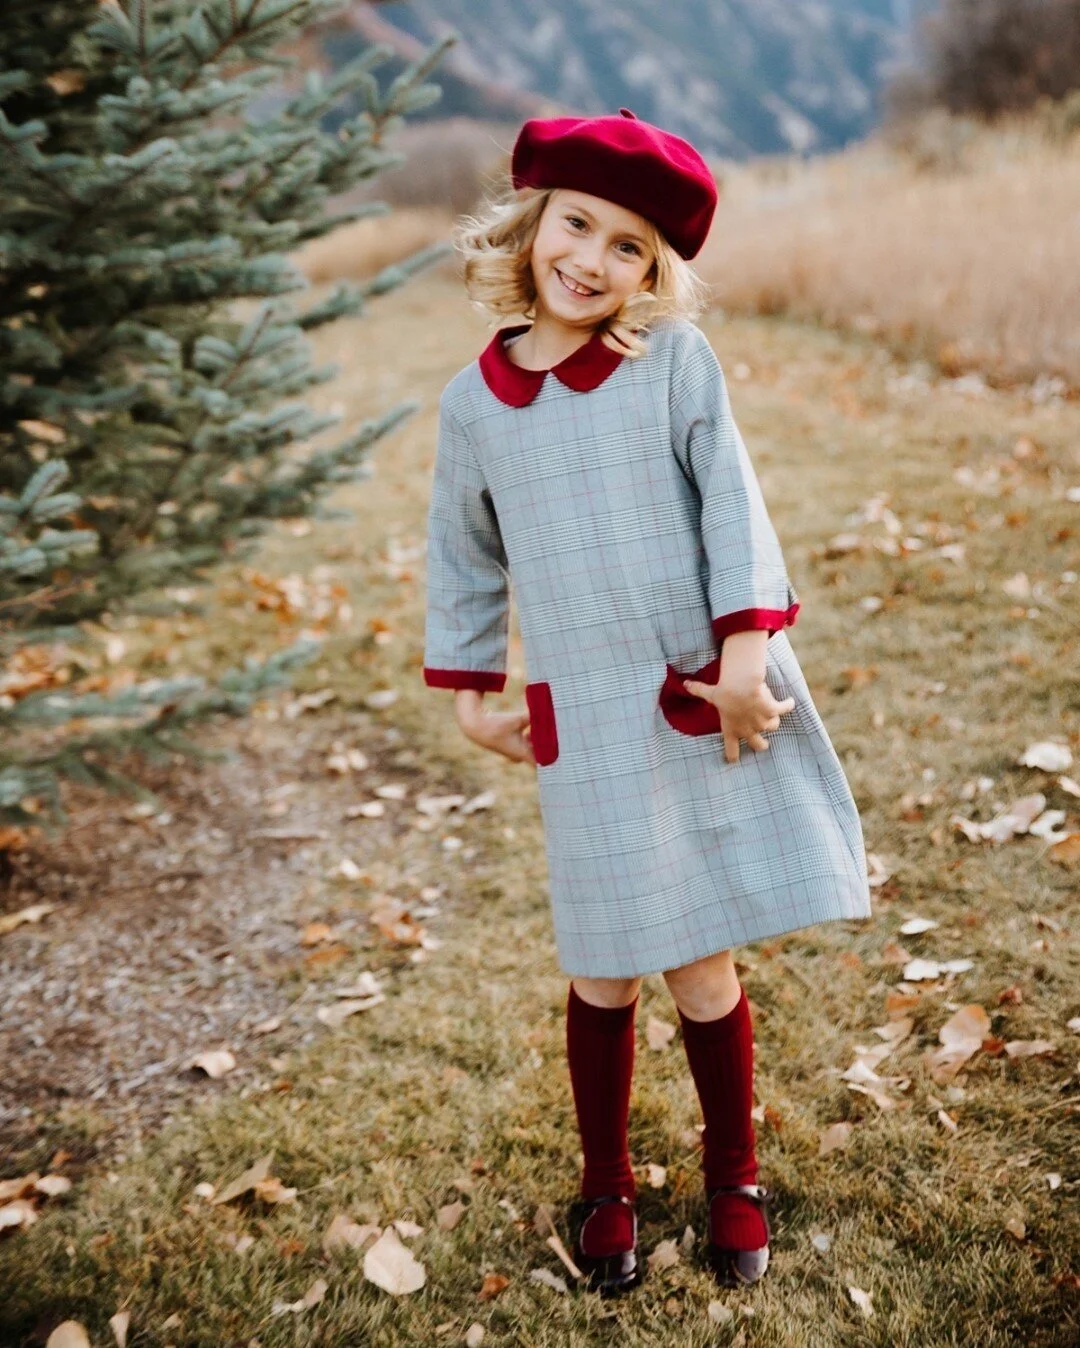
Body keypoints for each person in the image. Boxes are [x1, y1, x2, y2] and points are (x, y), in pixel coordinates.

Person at [422, 108, 873, 1296]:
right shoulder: (473, 407)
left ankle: (736, 1172)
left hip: (685, 688)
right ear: (529, 225)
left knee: (701, 962)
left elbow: (734, 505)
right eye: (577, 224)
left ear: (656, 272)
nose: (592, 259)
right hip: (581, 716)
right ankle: (607, 1177)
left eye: (630, 246)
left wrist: (740, 657)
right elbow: (464, 558)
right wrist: (472, 689)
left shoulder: (668, 364)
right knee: (603, 963)